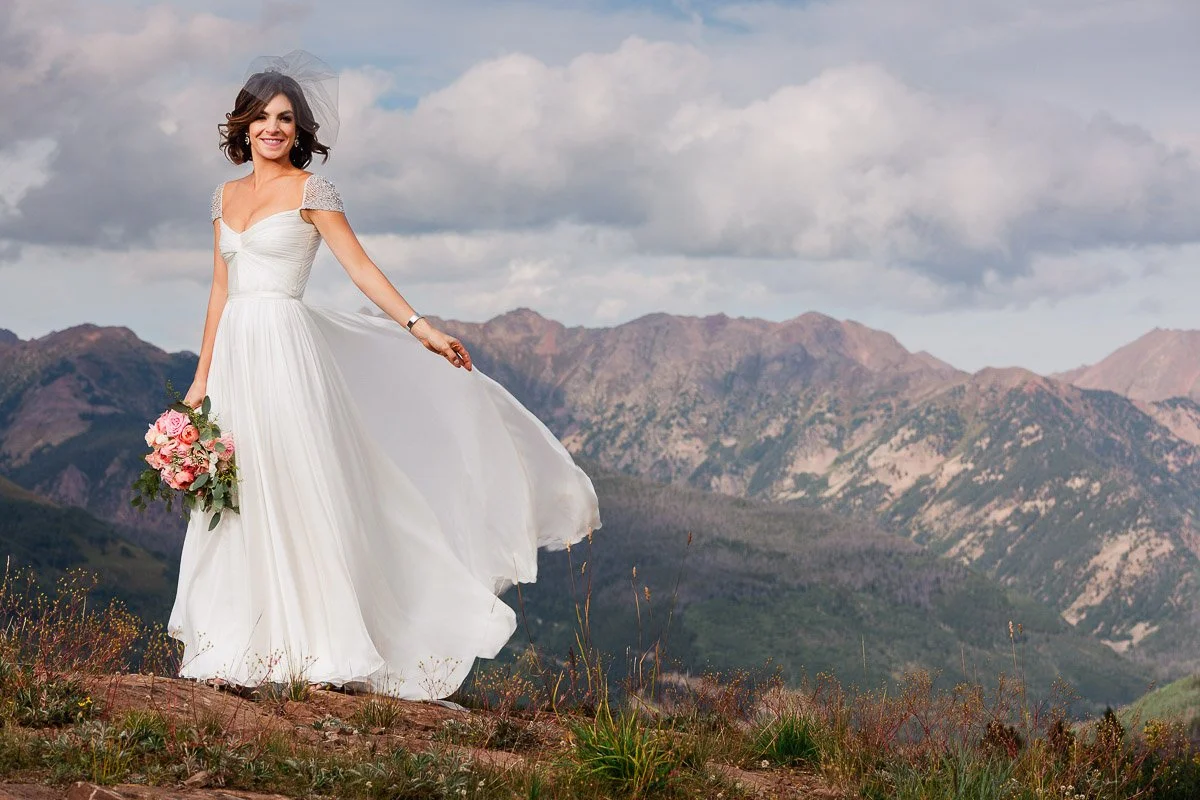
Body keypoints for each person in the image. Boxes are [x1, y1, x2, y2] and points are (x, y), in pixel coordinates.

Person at [166, 50, 601, 701]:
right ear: (243, 126)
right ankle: (234, 645)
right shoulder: (224, 198)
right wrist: (200, 380)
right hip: (235, 358)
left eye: (285, 118)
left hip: (287, 351)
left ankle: (324, 648)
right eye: (262, 118)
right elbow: (219, 289)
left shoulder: (312, 192)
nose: (273, 128)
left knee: (298, 484)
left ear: (299, 130)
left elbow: (361, 269)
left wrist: (419, 326)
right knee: (238, 495)